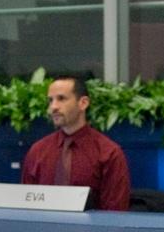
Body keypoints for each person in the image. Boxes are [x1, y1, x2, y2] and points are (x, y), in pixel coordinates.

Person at [22, 76, 131, 212]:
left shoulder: (108, 153)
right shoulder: (38, 151)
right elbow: (25, 208)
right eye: (50, 100)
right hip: (44, 231)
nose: (53, 107)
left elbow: (115, 215)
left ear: (83, 103)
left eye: (61, 99)